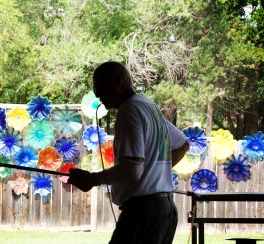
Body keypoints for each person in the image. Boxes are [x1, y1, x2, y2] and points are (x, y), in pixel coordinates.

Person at [68, 61, 189, 244]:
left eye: (100, 85)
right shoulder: (147, 106)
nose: (97, 93)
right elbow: (183, 145)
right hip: (164, 209)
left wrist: (92, 180)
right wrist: (153, 172)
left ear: (118, 81)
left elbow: (132, 169)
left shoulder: (129, 110)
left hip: (144, 212)